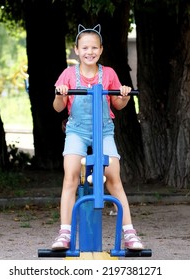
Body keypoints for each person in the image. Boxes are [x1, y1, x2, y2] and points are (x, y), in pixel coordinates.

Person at [51, 24, 144, 251]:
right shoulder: (68, 75)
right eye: (85, 48)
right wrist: (61, 94)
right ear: (76, 50)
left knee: (114, 178)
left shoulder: (109, 74)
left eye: (94, 48)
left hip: (103, 131)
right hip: (77, 131)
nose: (89, 52)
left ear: (101, 50)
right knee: (70, 177)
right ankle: (64, 233)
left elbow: (118, 105)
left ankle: (129, 233)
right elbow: (57, 107)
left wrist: (124, 95)